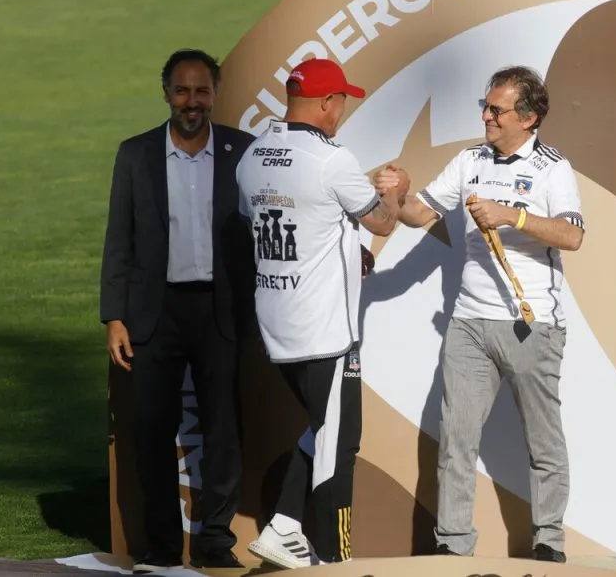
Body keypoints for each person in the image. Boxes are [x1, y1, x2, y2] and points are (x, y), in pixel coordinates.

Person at [374, 66, 584, 563]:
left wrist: (514, 215)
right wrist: (397, 192)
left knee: (543, 441)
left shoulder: (554, 167)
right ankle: (452, 544)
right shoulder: (470, 159)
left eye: (496, 110)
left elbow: (573, 236)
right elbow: (419, 214)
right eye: (485, 107)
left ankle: (549, 540)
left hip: (532, 324)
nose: (486, 117)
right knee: (456, 438)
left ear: (528, 118)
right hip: (469, 323)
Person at [238, 58, 406, 568]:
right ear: (327, 103)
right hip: (327, 331)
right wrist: (392, 191)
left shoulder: (253, 155)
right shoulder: (331, 160)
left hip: (276, 325)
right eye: (342, 103)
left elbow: (280, 222)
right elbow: (380, 222)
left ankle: (285, 526)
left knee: (322, 427)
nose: (342, 113)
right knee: (340, 444)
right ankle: (338, 561)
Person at [99, 48, 258, 573]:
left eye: (202, 91)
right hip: (153, 314)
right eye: (183, 91)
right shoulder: (134, 154)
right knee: (150, 433)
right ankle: (163, 546)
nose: (193, 102)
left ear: (215, 94)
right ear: (166, 93)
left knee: (223, 431)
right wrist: (114, 317)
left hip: (222, 311)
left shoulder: (244, 152)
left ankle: (215, 540)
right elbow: (118, 240)